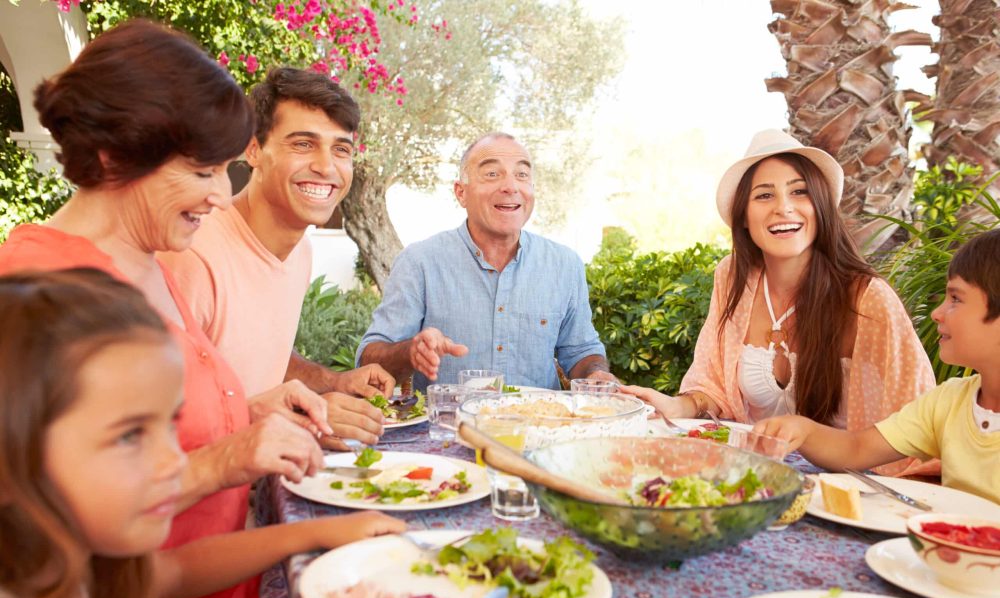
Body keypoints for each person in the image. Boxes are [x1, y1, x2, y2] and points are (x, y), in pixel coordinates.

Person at [0, 19, 330, 598]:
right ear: (113, 156)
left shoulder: (149, 255)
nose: (220, 196)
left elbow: (160, 417)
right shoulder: (42, 283)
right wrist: (229, 459)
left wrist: (253, 411)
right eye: (203, 171)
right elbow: (43, 513)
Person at [0, 269, 405, 598]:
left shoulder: (86, 566)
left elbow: (174, 572)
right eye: (129, 435)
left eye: (171, 425)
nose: (173, 460)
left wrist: (312, 534)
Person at [620, 129, 936, 477]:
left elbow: (916, 420)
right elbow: (713, 386)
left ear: (821, 205)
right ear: (742, 215)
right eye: (764, 195)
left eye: (799, 191)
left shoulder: (867, 298)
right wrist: (679, 405)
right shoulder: (732, 278)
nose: (783, 207)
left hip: (848, 499)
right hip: (747, 480)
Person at [159, 67, 390, 450]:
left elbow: (259, 358)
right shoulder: (193, 254)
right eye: (303, 144)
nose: (326, 166)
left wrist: (333, 383)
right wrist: (306, 419)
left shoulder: (300, 251)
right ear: (253, 150)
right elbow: (159, 425)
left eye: (341, 149)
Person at [753, 229, 1000, 504]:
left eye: (956, 299)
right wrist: (802, 429)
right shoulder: (948, 402)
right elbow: (857, 449)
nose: (936, 313)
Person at [357, 132, 615, 391]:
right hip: (450, 429)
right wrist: (409, 351)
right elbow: (368, 360)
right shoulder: (420, 263)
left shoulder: (564, 265)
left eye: (522, 175)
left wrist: (597, 374)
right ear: (461, 193)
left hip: (539, 427)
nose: (510, 187)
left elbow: (581, 350)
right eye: (492, 174)